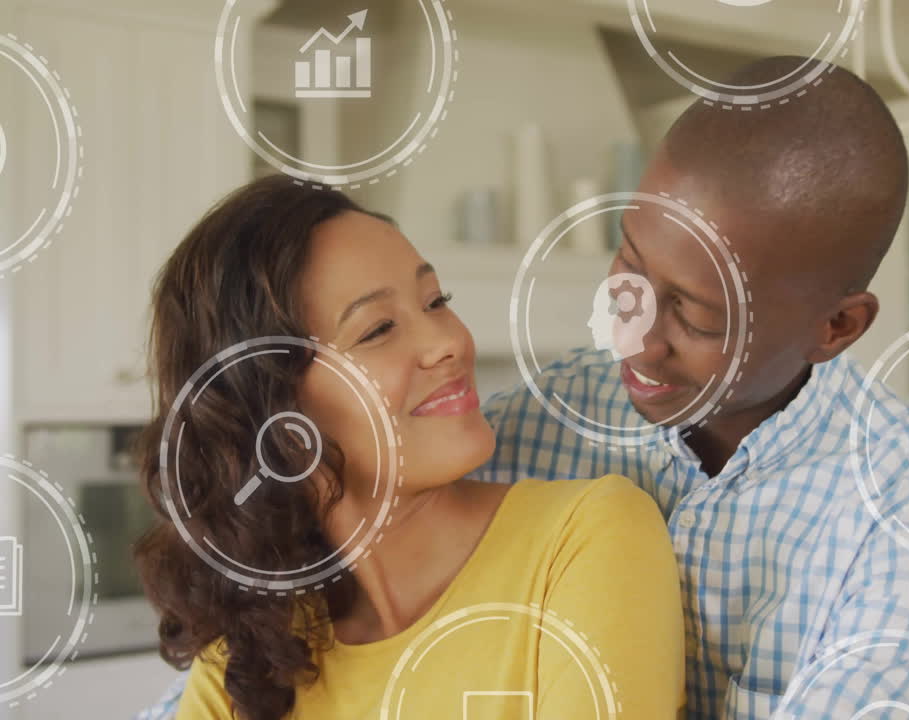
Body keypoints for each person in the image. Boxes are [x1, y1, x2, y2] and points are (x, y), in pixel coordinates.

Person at [139, 57, 909, 720]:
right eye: (628, 265)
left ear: (838, 327)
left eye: (697, 317)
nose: (630, 330)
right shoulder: (521, 429)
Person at [133, 176, 686, 720]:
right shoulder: (251, 660)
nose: (449, 342)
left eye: (436, 300)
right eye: (378, 330)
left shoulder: (585, 540)